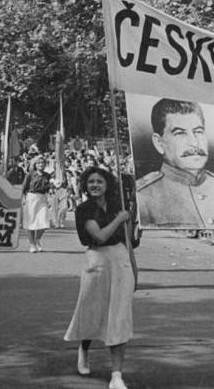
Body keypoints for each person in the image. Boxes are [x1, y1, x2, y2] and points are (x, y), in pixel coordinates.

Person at [64, 166, 134, 389]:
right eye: (91, 182)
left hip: (120, 260)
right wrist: (120, 219)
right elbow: (100, 236)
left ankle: (116, 375)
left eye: (99, 182)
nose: (95, 185)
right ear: (85, 185)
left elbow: (128, 241)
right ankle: (84, 349)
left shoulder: (118, 205)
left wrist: (134, 269)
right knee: (92, 312)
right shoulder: (84, 209)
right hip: (97, 261)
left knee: (119, 317)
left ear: (107, 185)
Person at [136, 98, 214, 229]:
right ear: (159, 143)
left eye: (198, 132)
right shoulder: (143, 197)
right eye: (180, 133)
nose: (194, 143)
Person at [21, 155, 52, 252]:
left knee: (44, 221)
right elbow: (24, 187)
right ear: (35, 164)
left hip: (42, 198)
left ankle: (37, 239)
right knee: (30, 221)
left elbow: (49, 188)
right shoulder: (30, 174)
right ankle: (32, 244)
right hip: (31, 197)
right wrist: (22, 198)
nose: (41, 165)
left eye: (42, 163)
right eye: (38, 163)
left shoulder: (48, 175)